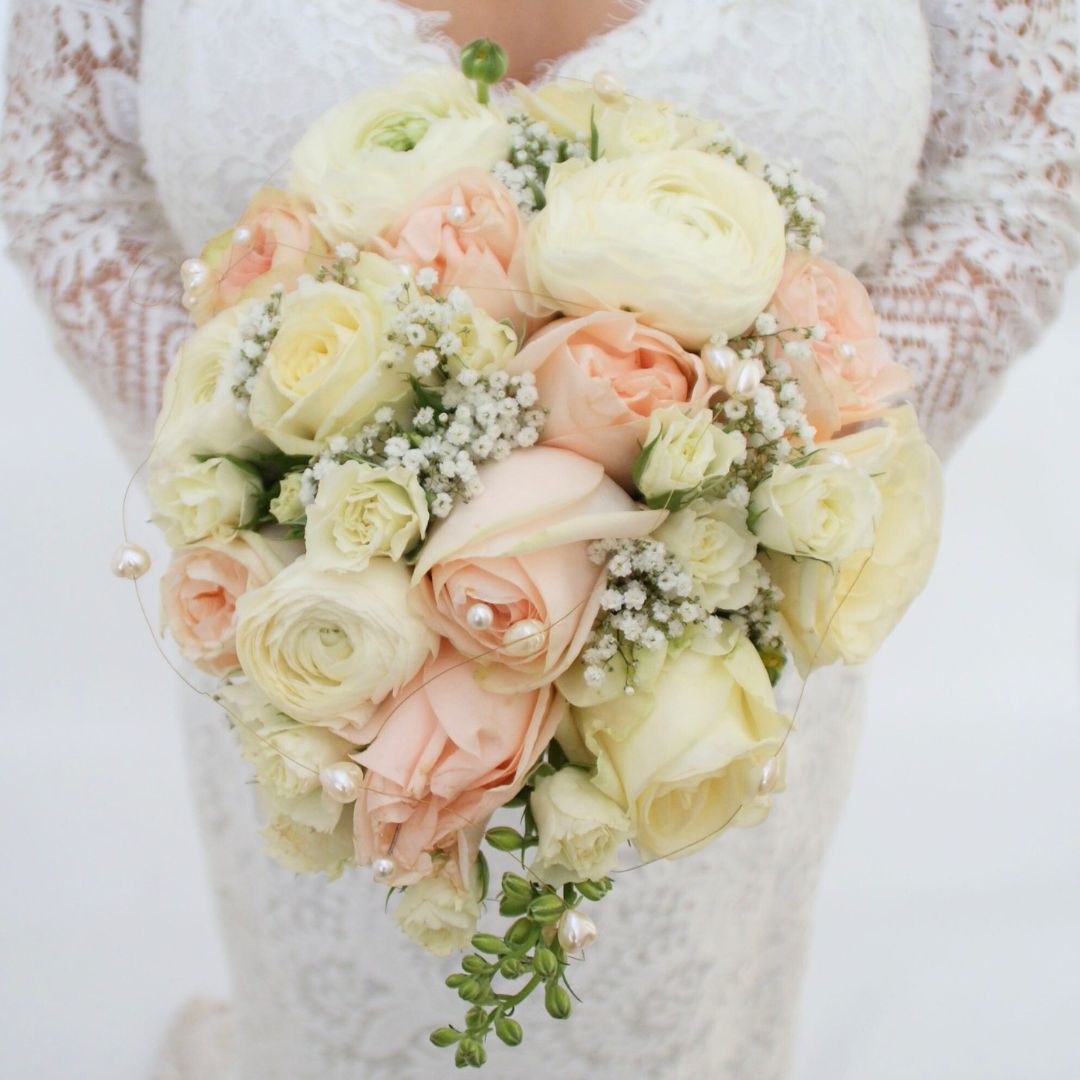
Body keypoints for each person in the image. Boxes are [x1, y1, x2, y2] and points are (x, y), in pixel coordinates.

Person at [2, 2, 1076, 1077]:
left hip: (724, 679)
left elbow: (1014, 183)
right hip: (308, 646)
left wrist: (766, 495)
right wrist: (264, 495)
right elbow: (68, 187)